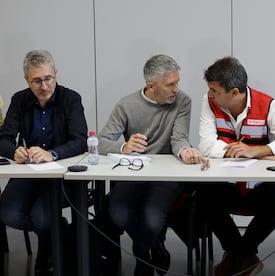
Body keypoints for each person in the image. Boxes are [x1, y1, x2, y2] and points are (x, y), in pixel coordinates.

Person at [98, 54, 206, 276]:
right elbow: (101, 141)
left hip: (166, 176)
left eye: (177, 82)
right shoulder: (126, 104)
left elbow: (179, 138)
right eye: (170, 84)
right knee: (117, 212)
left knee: (152, 214)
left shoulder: (182, 101)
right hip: (134, 172)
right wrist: (123, 147)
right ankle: (152, 245)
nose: (176, 88)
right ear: (151, 85)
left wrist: (185, 151)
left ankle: (141, 256)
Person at [197, 56, 275, 276]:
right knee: (204, 196)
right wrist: (235, 150)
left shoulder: (267, 104)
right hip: (224, 182)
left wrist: (258, 151)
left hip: (258, 185)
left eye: (215, 91)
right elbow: (206, 145)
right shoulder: (208, 102)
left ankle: (237, 255)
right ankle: (244, 255)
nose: (210, 95)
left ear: (234, 92)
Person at [0, 49, 88, 275]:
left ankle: (47, 250)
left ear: (56, 74)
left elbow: (80, 141)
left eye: (48, 79)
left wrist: (53, 154)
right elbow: (4, 138)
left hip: (59, 174)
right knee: (7, 212)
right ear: (27, 80)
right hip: (30, 172)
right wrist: (15, 150)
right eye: (36, 81)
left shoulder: (71, 99)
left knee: (41, 216)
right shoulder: (19, 100)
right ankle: (58, 233)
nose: (44, 86)